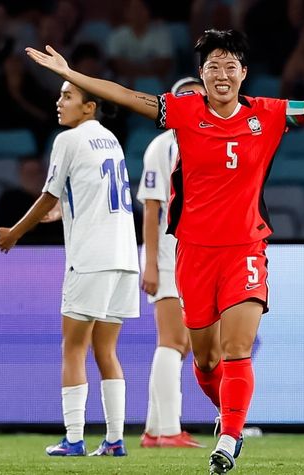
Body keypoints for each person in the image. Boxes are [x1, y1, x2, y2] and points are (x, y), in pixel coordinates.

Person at [26, 29, 304, 473]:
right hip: (194, 254)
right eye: (213, 66)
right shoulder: (183, 110)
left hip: (246, 249)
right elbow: (125, 95)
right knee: (204, 360)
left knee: (238, 347)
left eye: (230, 66)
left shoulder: (268, 114)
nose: (222, 74)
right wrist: (71, 73)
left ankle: (230, 438)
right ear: (202, 74)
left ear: (244, 73)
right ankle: (229, 413)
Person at [0, 80, 139, 457]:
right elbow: (86, 195)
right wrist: (62, 212)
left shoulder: (67, 140)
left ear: (89, 107)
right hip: (124, 256)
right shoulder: (111, 140)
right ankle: (116, 439)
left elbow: (48, 195)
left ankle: (73, 439)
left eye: (68, 96)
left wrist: (15, 233)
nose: (59, 102)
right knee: (107, 351)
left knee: (73, 348)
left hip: (90, 258)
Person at [138, 76, 206, 449]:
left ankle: (154, 429)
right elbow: (151, 209)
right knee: (174, 341)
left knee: (178, 344)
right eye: (187, 98)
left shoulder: (209, 141)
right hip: (166, 255)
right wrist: (150, 263)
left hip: (193, 255)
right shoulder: (162, 147)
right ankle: (167, 430)